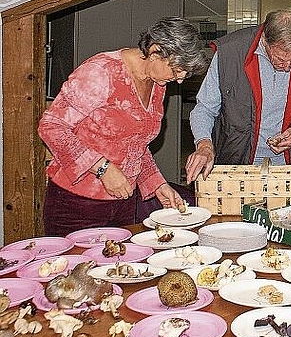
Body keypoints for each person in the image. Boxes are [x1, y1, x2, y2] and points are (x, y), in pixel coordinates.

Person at [38, 17, 209, 236]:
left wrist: (157, 183)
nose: (179, 80)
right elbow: (51, 126)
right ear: (155, 51)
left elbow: (134, 144)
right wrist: (103, 168)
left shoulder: (157, 83)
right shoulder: (101, 72)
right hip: (76, 204)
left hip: (124, 202)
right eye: (177, 70)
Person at [185, 8, 291, 182]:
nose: (286, 67)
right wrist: (204, 145)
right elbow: (204, 109)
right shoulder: (229, 53)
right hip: (237, 163)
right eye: (279, 59)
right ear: (265, 41)